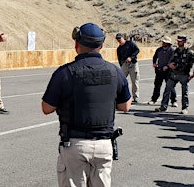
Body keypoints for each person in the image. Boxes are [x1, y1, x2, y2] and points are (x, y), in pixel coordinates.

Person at [42, 23, 131, 187]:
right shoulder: (115, 71)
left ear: (76, 45)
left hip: (75, 145)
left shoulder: (65, 73)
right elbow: (125, 106)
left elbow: (47, 108)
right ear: (102, 46)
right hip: (104, 144)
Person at [155, 35, 194, 114]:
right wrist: (169, 65)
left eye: (180, 41)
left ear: (184, 42)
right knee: (167, 90)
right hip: (174, 74)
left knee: (184, 92)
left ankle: (185, 108)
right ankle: (163, 106)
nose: (178, 42)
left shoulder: (190, 53)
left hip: (184, 74)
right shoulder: (176, 51)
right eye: (178, 41)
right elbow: (170, 61)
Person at [147, 36, 177, 107]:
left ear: (168, 43)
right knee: (157, 86)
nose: (163, 43)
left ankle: (174, 101)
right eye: (163, 42)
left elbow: (174, 60)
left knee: (170, 86)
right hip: (159, 70)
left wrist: (167, 66)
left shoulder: (172, 50)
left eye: (164, 42)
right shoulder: (159, 50)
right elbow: (155, 57)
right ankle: (154, 99)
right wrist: (154, 63)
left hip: (169, 71)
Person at [116, 33, 140, 103]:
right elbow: (119, 58)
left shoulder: (130, 43)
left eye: (120, 39)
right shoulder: (119, 49)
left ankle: (135, 97)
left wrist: (131, 57)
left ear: (123, 38)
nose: (119, 40)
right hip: (125, 65)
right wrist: (121, 65)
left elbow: (137, 50)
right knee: (121, 80)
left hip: (133, 64)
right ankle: (121, 96)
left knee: (134, 80)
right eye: (117, 39)